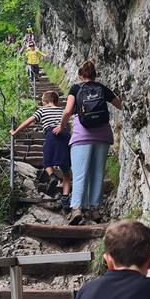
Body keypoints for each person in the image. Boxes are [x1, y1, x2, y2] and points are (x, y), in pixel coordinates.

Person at [53, 61, 122, 225]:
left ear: (79, 75)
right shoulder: (102, 88)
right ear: (95, 75)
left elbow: (68, 111)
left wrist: (61, 126)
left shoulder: (76, 89)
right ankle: (95, 209)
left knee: (79, 174)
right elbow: (120, 105)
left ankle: (76, 208)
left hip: (82, 136)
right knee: (97, 173)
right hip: (103, 136)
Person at [10, 90, 72, 202]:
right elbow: (67, 125)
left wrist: (15, 132)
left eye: (42, 101)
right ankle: (65, 197)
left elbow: (27, 122)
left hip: (51, 135)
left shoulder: (42, 110)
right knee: (66, 169)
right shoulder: (62, 110)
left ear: (46, 101)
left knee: (47, 161)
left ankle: (52, 176)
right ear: (57, 102)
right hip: (64, 136)